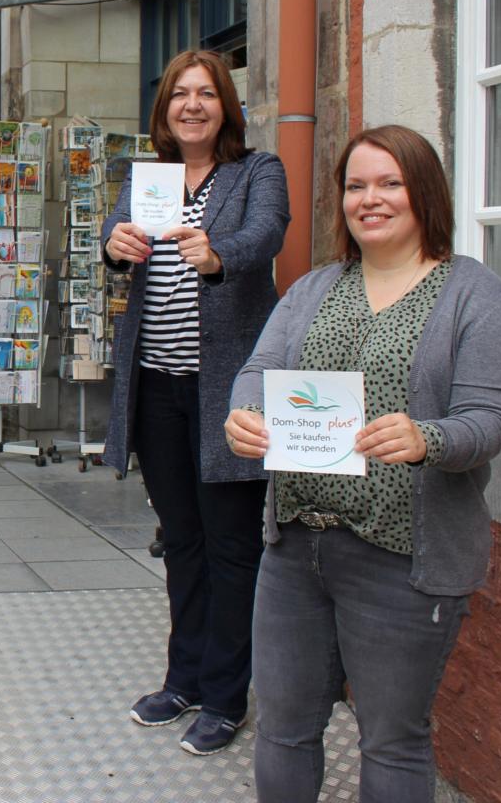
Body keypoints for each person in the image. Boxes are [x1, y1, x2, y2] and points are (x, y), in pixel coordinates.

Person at [225, 125, 501, 802]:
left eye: (389, 183)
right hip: (296, 547)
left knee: (391, 741)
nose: (371, 199)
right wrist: (243, 413)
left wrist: (429, 439)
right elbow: (260, 370)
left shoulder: (476, 297)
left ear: (424, 191)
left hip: (403, 562)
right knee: (283, 727)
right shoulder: (314, 289)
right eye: (356, 185)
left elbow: (489, 420)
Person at [101, 49, 290, 755]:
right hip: (156, 386)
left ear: (225, 106)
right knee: (181, 541)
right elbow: (114, 240)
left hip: (227, 391)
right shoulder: (147, 177)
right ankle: (182, 680)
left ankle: (224, 695)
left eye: (206, 94)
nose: (192, 105)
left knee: (231, 544)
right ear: (165, 109)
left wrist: (218, 256)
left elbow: (267, 233)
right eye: (179, 94)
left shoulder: (255, 171)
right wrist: (114, 244)